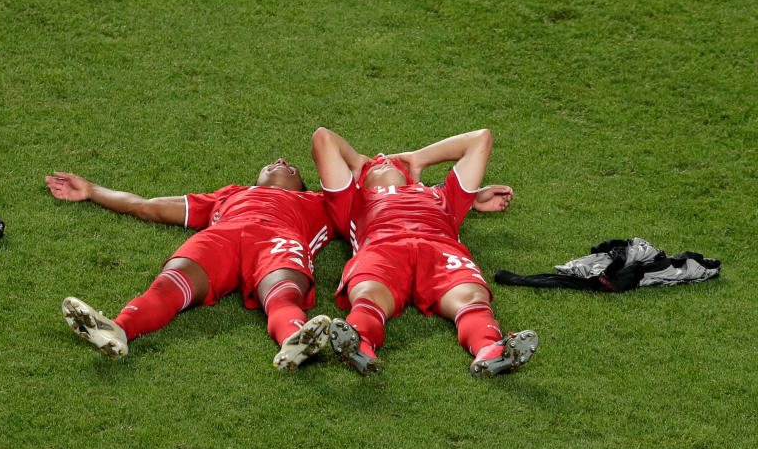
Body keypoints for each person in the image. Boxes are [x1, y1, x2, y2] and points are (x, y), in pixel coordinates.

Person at [46, 159, 335, 370]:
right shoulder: (228, 195)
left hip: (278, 238)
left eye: (291, 167)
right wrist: (91, 189)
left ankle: (294, 341)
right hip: (221, 237)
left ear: (301, 186)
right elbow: (147, 207)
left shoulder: (320, 203)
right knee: (168, 285)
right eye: (273, 162)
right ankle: (116, 331)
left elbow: (372, 206)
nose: (281, 161)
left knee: (282, 294)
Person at [310, 127, 538, 377]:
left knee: (471, 297)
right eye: (375, 165)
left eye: (390, 161)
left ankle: (489, 350)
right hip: (382, 249)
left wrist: (418, 158)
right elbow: (323, 138)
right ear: (358, 180)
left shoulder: (443, 196)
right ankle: (359, 343)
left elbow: (480, 139)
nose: (382, 157)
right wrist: (356, 162)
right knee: (369, 295)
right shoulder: (352, 199)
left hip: (440, 249)